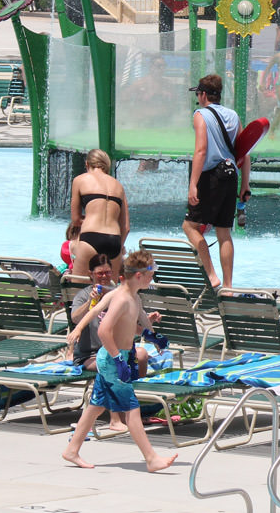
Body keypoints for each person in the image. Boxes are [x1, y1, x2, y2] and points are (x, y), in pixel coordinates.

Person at [62, 250, 178, 472]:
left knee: (96, 406)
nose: (153, 276)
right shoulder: (122, 298)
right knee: (131, 409)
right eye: (151, 272)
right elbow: (105, 330)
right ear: (138, 275)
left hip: (119, 357)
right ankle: (151, 458)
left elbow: (136, 320)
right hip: (112, 359)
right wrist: (118, 360)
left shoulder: (132, 296)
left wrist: (153, 336)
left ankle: (72, 450)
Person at [70, 253, 159, 431]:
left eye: (107, 273)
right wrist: (90, 302)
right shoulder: (85, 294)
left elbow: (129, 323)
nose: (104, 276)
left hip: (113, 350)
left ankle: (135, 408)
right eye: (99, 273)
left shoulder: (119, 294)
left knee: (140, 355)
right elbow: (76, 318)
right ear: (91, 274)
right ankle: (118, 418)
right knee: (113, 371)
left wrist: (150, 328)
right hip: (90, 354)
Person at [185, 74, 247, 289]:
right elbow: (244, 152)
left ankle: (212, 275)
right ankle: (228, 287)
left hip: (211, 176)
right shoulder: (233, 115)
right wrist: (245, 184)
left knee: (189, 226)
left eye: (198, 95)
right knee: (224, 232)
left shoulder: (200, 114)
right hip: (231, 176)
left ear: (202, 94)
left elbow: (201, 150)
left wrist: (193, 184)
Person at [70, 149, 129, 278]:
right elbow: (126, 227)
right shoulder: (118, 186)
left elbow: (75, 219)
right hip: (114, 240)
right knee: (109, 293)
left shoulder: (80, 180)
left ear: (87, 164)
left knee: (77, 290)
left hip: (90, 237)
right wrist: (119, 247)